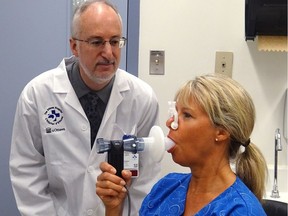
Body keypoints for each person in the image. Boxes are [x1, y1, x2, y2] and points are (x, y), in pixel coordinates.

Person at [9, 0, 160, 215]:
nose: (109, 52)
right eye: (97, 42)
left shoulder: (142, 98)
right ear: (74, 46)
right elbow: (27, 172)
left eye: (115, 41)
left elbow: (146, 180)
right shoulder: (37, 95)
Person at [96, 74, 268, 216]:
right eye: (175, 113)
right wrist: (114, 207)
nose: (170, 122)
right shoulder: (166, 188)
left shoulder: (241, 211)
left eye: (186, 115)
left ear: (221, 132)